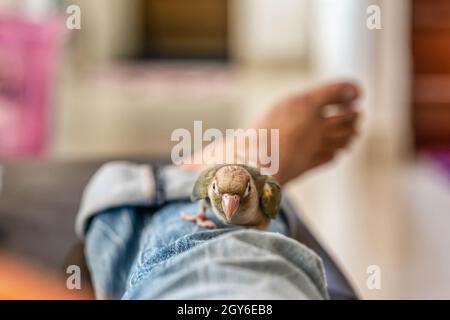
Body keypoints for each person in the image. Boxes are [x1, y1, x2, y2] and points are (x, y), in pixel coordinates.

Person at [76, 81, 360, 299]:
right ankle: (223, 190)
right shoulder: (210, 190)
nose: (230, 204)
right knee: (224, 239)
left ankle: (198, 202)